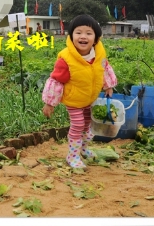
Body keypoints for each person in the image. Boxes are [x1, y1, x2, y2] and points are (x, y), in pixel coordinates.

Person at [41, 14, 117, 169]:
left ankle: (84, 149)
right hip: (74, 99)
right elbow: (56, 81)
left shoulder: (98, 54)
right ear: (71, 36)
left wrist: (108, 85)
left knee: (89, 124)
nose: (83, 36)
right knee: (78, 124)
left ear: (95, 38)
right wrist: (49, 103)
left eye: (88, 33)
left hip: (90, 98)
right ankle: (72, 155)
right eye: (78, 32)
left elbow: (104, 68)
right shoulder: (66, 59)